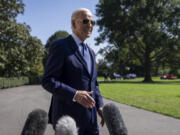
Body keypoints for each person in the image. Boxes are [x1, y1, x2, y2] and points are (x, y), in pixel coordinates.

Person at [42, 8, 104, 135]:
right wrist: (75, 95)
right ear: (74, 23)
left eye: (93, 22)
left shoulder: (91, 52)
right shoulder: (60, 46)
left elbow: (94, 84)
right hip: (68, 123)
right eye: (86, 21)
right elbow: (48, 81)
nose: (90, 25)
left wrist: (100, 106)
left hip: (91, 122)